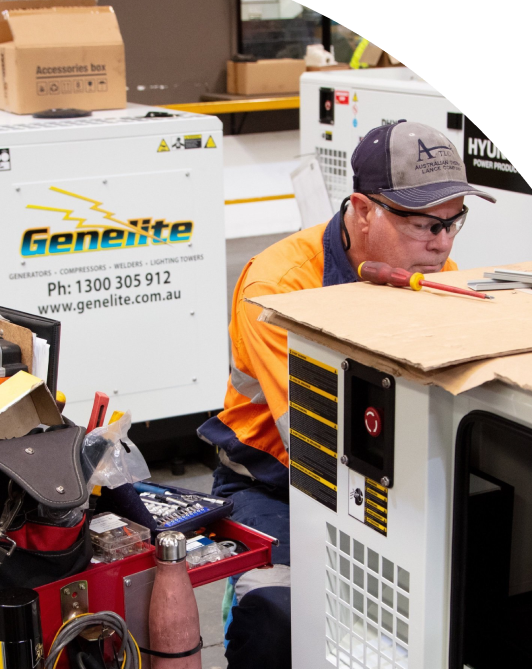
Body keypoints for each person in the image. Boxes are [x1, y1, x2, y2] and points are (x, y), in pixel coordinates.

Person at [200, 121, 495, 667]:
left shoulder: (433, 268)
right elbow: (312, 442)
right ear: (362, 210)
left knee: (453, 607)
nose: (443, 244)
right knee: (281, 618)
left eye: (455, 222)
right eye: (426, 224)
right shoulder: (277, 289)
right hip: (275, 482)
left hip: (380, 474)